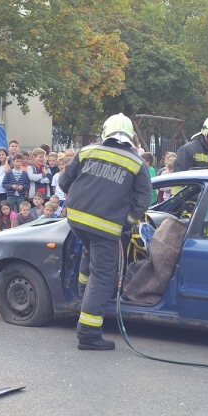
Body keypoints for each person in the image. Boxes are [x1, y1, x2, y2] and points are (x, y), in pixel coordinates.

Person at [59, 113, 152, 350]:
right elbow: (143, 200)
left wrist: (79, 198)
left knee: (90, 259)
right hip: (107, 227)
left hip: (77, 221)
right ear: (130, 137)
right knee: (103, 276)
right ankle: (88, 334)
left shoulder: (87, 151)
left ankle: (83, 301)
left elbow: (63, 182)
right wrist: (127, 221)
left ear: (105, 132)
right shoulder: (136, 162)